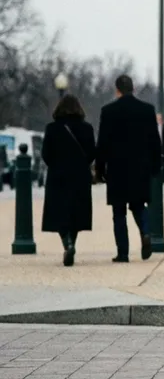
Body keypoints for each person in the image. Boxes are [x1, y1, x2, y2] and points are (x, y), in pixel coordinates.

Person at [95, 74, 160, 263]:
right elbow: (154, 141)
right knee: (139, 205)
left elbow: (103, 143)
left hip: (117, 168)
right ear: (133, 88)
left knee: (119, 212)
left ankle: (123, 253)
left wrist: (99, 169)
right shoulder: (147, 110)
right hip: (141, 167)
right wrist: (155, 166)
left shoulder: (108, 111)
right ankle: (146, 233)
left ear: (117, 90)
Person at [39, 94, 95, 267]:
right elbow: (92, 153)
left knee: (59, 212)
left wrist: (56, 165)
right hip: (80, 176)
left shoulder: (52, 128)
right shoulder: (87, 128)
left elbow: (45, 154)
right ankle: (72, 243)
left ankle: (67, 243)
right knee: (77, 213)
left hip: (58, 176)